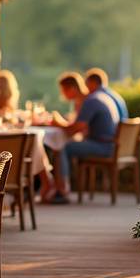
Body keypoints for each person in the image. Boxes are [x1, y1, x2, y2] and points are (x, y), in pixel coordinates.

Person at [48, 72, 118, 204]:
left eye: (63, 90)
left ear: (72, 88)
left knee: (61, 147)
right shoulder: (99, 97)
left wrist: (58, 123)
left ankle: (62, 191)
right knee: (65, 145)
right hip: (109, 144)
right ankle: (59, 187)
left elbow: (76, 129)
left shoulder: (91, 101)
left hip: (104, 146)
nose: (62, 95)